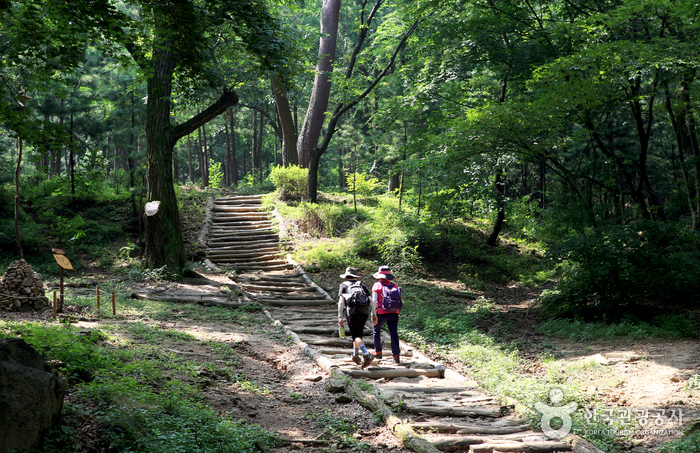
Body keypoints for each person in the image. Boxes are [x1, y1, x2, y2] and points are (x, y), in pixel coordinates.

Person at [337, 266, 374, 368]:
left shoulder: (344, 285)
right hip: (364, 311)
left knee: (356, 336)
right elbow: (371, 300)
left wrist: (339, 316)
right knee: (358, 335)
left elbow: (341, 302)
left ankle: (366, 353)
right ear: (356, 277)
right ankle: (355, 355)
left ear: (346, 277)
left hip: (352, 312)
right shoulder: (361, 284)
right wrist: (373, 313)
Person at [371, 265, 402, 365]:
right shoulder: (394, 286)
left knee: (376, 330)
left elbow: (374, 301)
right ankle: (396, 355)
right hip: (394, 312)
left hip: (381, 312)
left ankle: (378, 352)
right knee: (394, 333)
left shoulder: (377, 285)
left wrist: (373, 313)